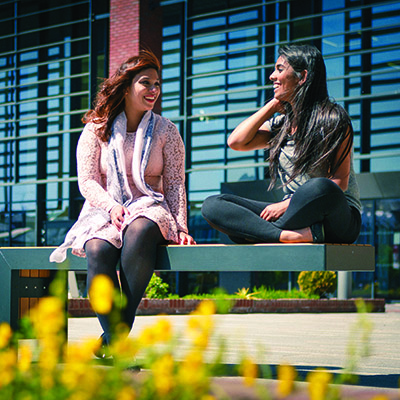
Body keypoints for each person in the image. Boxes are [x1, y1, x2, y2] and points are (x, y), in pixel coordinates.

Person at [50, 49, 195, 356]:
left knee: (140, 230)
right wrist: (112, 207)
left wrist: (181, 225)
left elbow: (173, 184)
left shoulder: (167, 131)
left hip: (150, 206)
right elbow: (87, 181)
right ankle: (116, 342)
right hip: (105, 210)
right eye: (146, 83)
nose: (154, 90)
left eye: (157, 83)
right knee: (97, 249)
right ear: (127, 87)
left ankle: (113, 341)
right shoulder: (96, 129)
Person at [201, 44, 361, 245]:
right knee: (213, 205)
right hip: (295, 219)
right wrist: (272, 106)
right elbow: (236, 142)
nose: (272, 77)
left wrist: (284, 206)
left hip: (335, 220)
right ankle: (287, 236)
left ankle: (254, 231)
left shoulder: (333, 119)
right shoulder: (280, 126)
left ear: (302, 77)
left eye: (279, 69)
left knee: (320, 186)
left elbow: (339, 183)